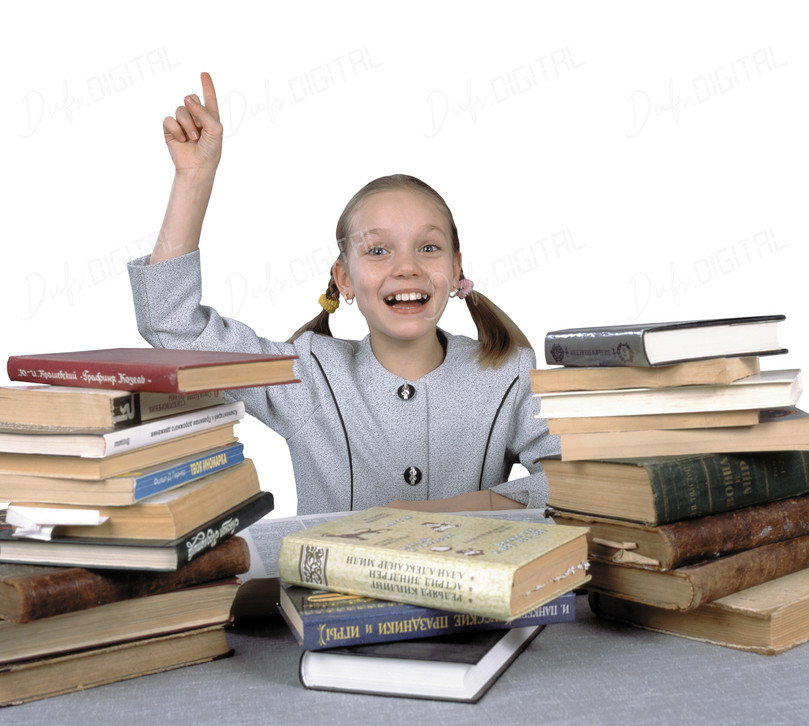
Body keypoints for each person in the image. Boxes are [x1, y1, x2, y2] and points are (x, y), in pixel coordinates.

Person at [127, 72, 560, 515]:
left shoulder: (507, 375)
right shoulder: (309, 376)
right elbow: (172, 324)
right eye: (378, 250)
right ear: (344, 279)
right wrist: (194, 177)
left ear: (455, 270)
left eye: (428, 248)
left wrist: (467, 507)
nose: (407, 267)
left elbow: (582, 484)